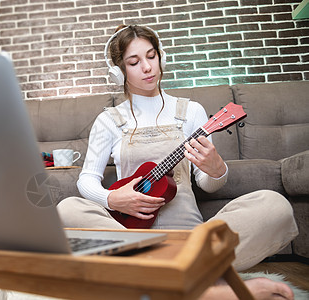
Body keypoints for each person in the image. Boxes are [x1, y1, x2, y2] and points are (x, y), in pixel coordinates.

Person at [57, 24, 299, 299]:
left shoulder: (190, 111)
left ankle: (156, 279)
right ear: (119, 72)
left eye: (151, 56)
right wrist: (113, 200)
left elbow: (207, 184)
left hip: (192, 239)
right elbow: (87, 179)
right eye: (134, 62)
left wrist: (216, 168)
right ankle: (202, 286)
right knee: (67, 210)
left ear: (161, 56)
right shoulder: (109, 120)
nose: (147, 67)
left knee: (274, 205)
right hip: (131, 239)